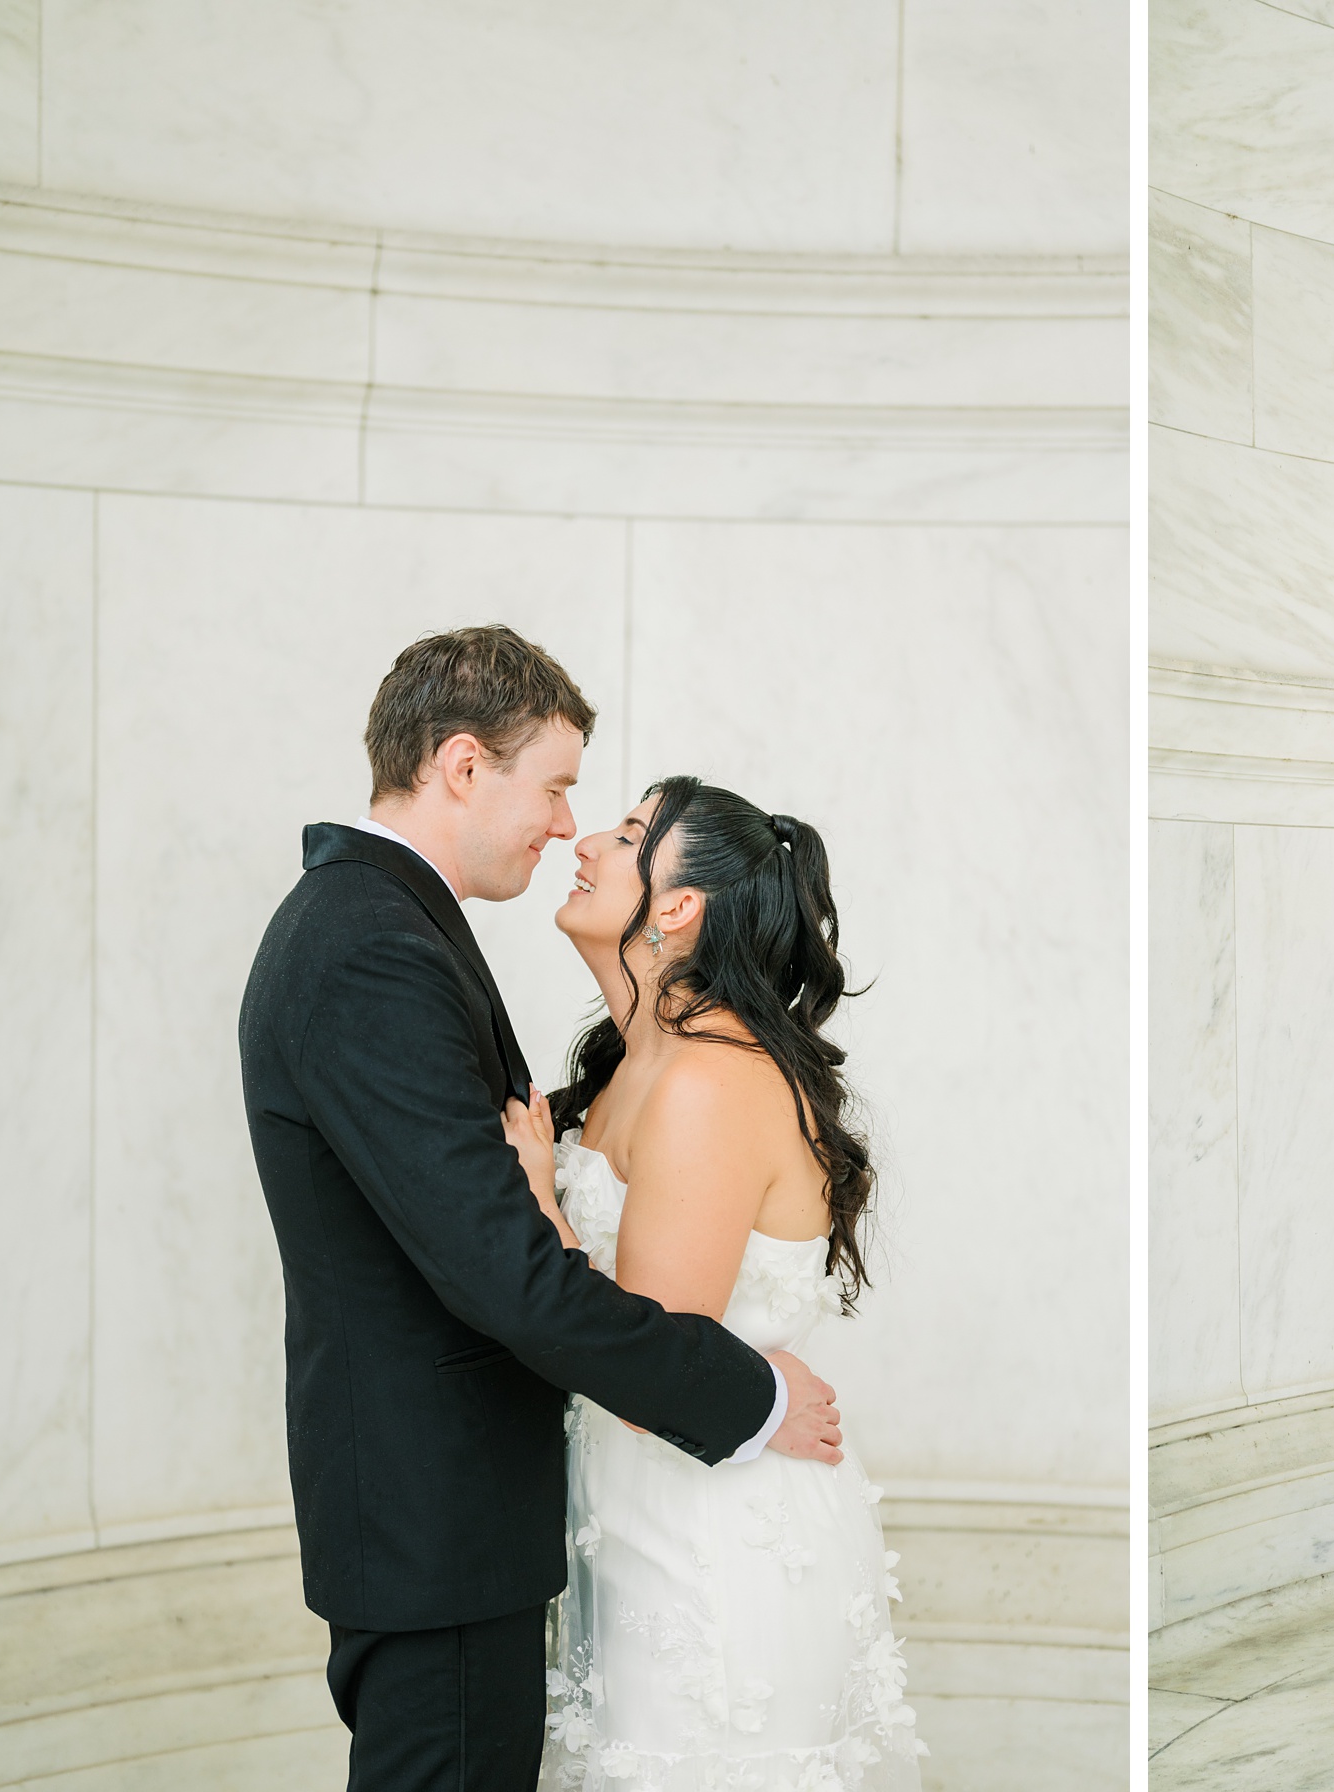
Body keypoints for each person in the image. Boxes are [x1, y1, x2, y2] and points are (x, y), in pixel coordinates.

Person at [239, 627, 842, 1792]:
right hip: (437, 1525)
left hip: (479, 1524)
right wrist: (751, 1391)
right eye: (558, 787)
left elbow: (496, 1174)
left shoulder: (380, 923)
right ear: (464, 766)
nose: (567, 824)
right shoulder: (371, 943)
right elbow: (505, 1272)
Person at [506, 778, 925, 1788]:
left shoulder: (708, 1079)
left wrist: (539, 1201)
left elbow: (658, 1364)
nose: (588, 841)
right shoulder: (636, 1061)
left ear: (678, 906)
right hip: (638, 1518)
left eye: (630, 834)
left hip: (712, 1541)